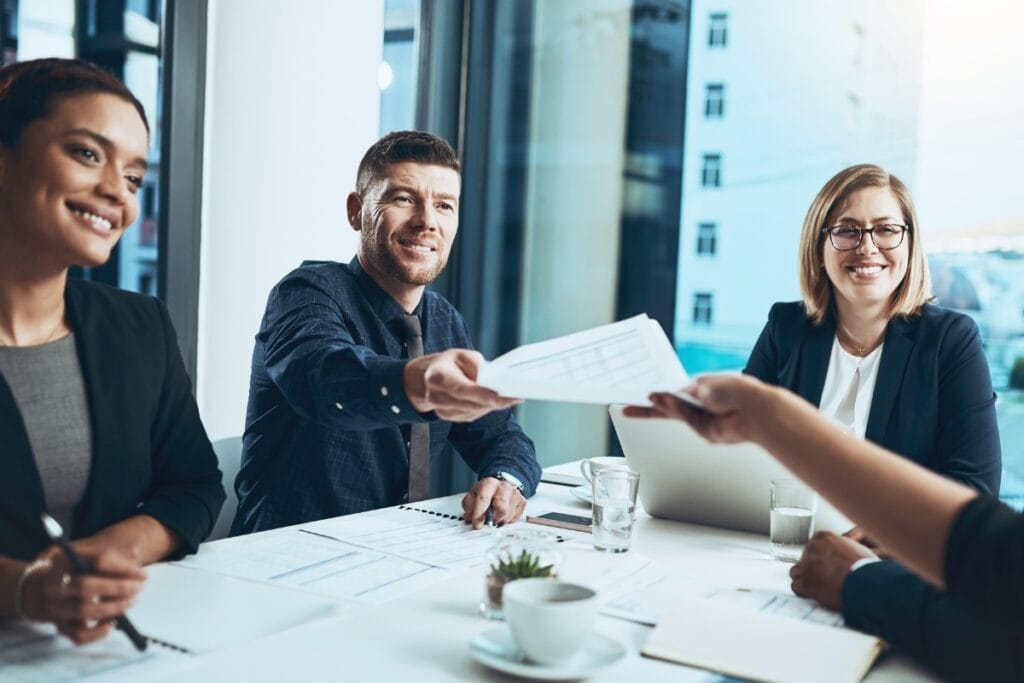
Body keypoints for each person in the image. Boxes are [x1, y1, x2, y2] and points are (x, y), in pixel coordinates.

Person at [0, 58, 225, 644]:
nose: (115, 194)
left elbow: (195, 485)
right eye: (86, 153)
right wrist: (26, 589)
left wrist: (111, 552)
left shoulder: (138, 326)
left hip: (104, 654)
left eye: (133, 178)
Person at [233, 131, 541, 535]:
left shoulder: (446, 323)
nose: (427, 221)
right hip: (282, 563)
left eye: (445, 206)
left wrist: (506, 481)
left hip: (396, 557)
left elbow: (502, 436)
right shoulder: (306, 292)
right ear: (356, 212)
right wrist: (419, 384)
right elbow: (325, 379)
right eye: (404, 199)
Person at [625, 375, 1023, 682]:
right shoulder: (788, 324)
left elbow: (997, 613)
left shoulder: (949, 337)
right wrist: (763, 418)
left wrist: (861, 578)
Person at [745, 164, 1001, 500]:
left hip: (895, 548)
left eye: (886, 229)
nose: (867, 247)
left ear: (909, 245)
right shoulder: (785, 328)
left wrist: (870, 535)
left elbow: (975, 490)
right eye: (847, 230)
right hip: (780, 539)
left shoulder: (951, 340)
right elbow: (740, 450)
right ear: (819, 248)